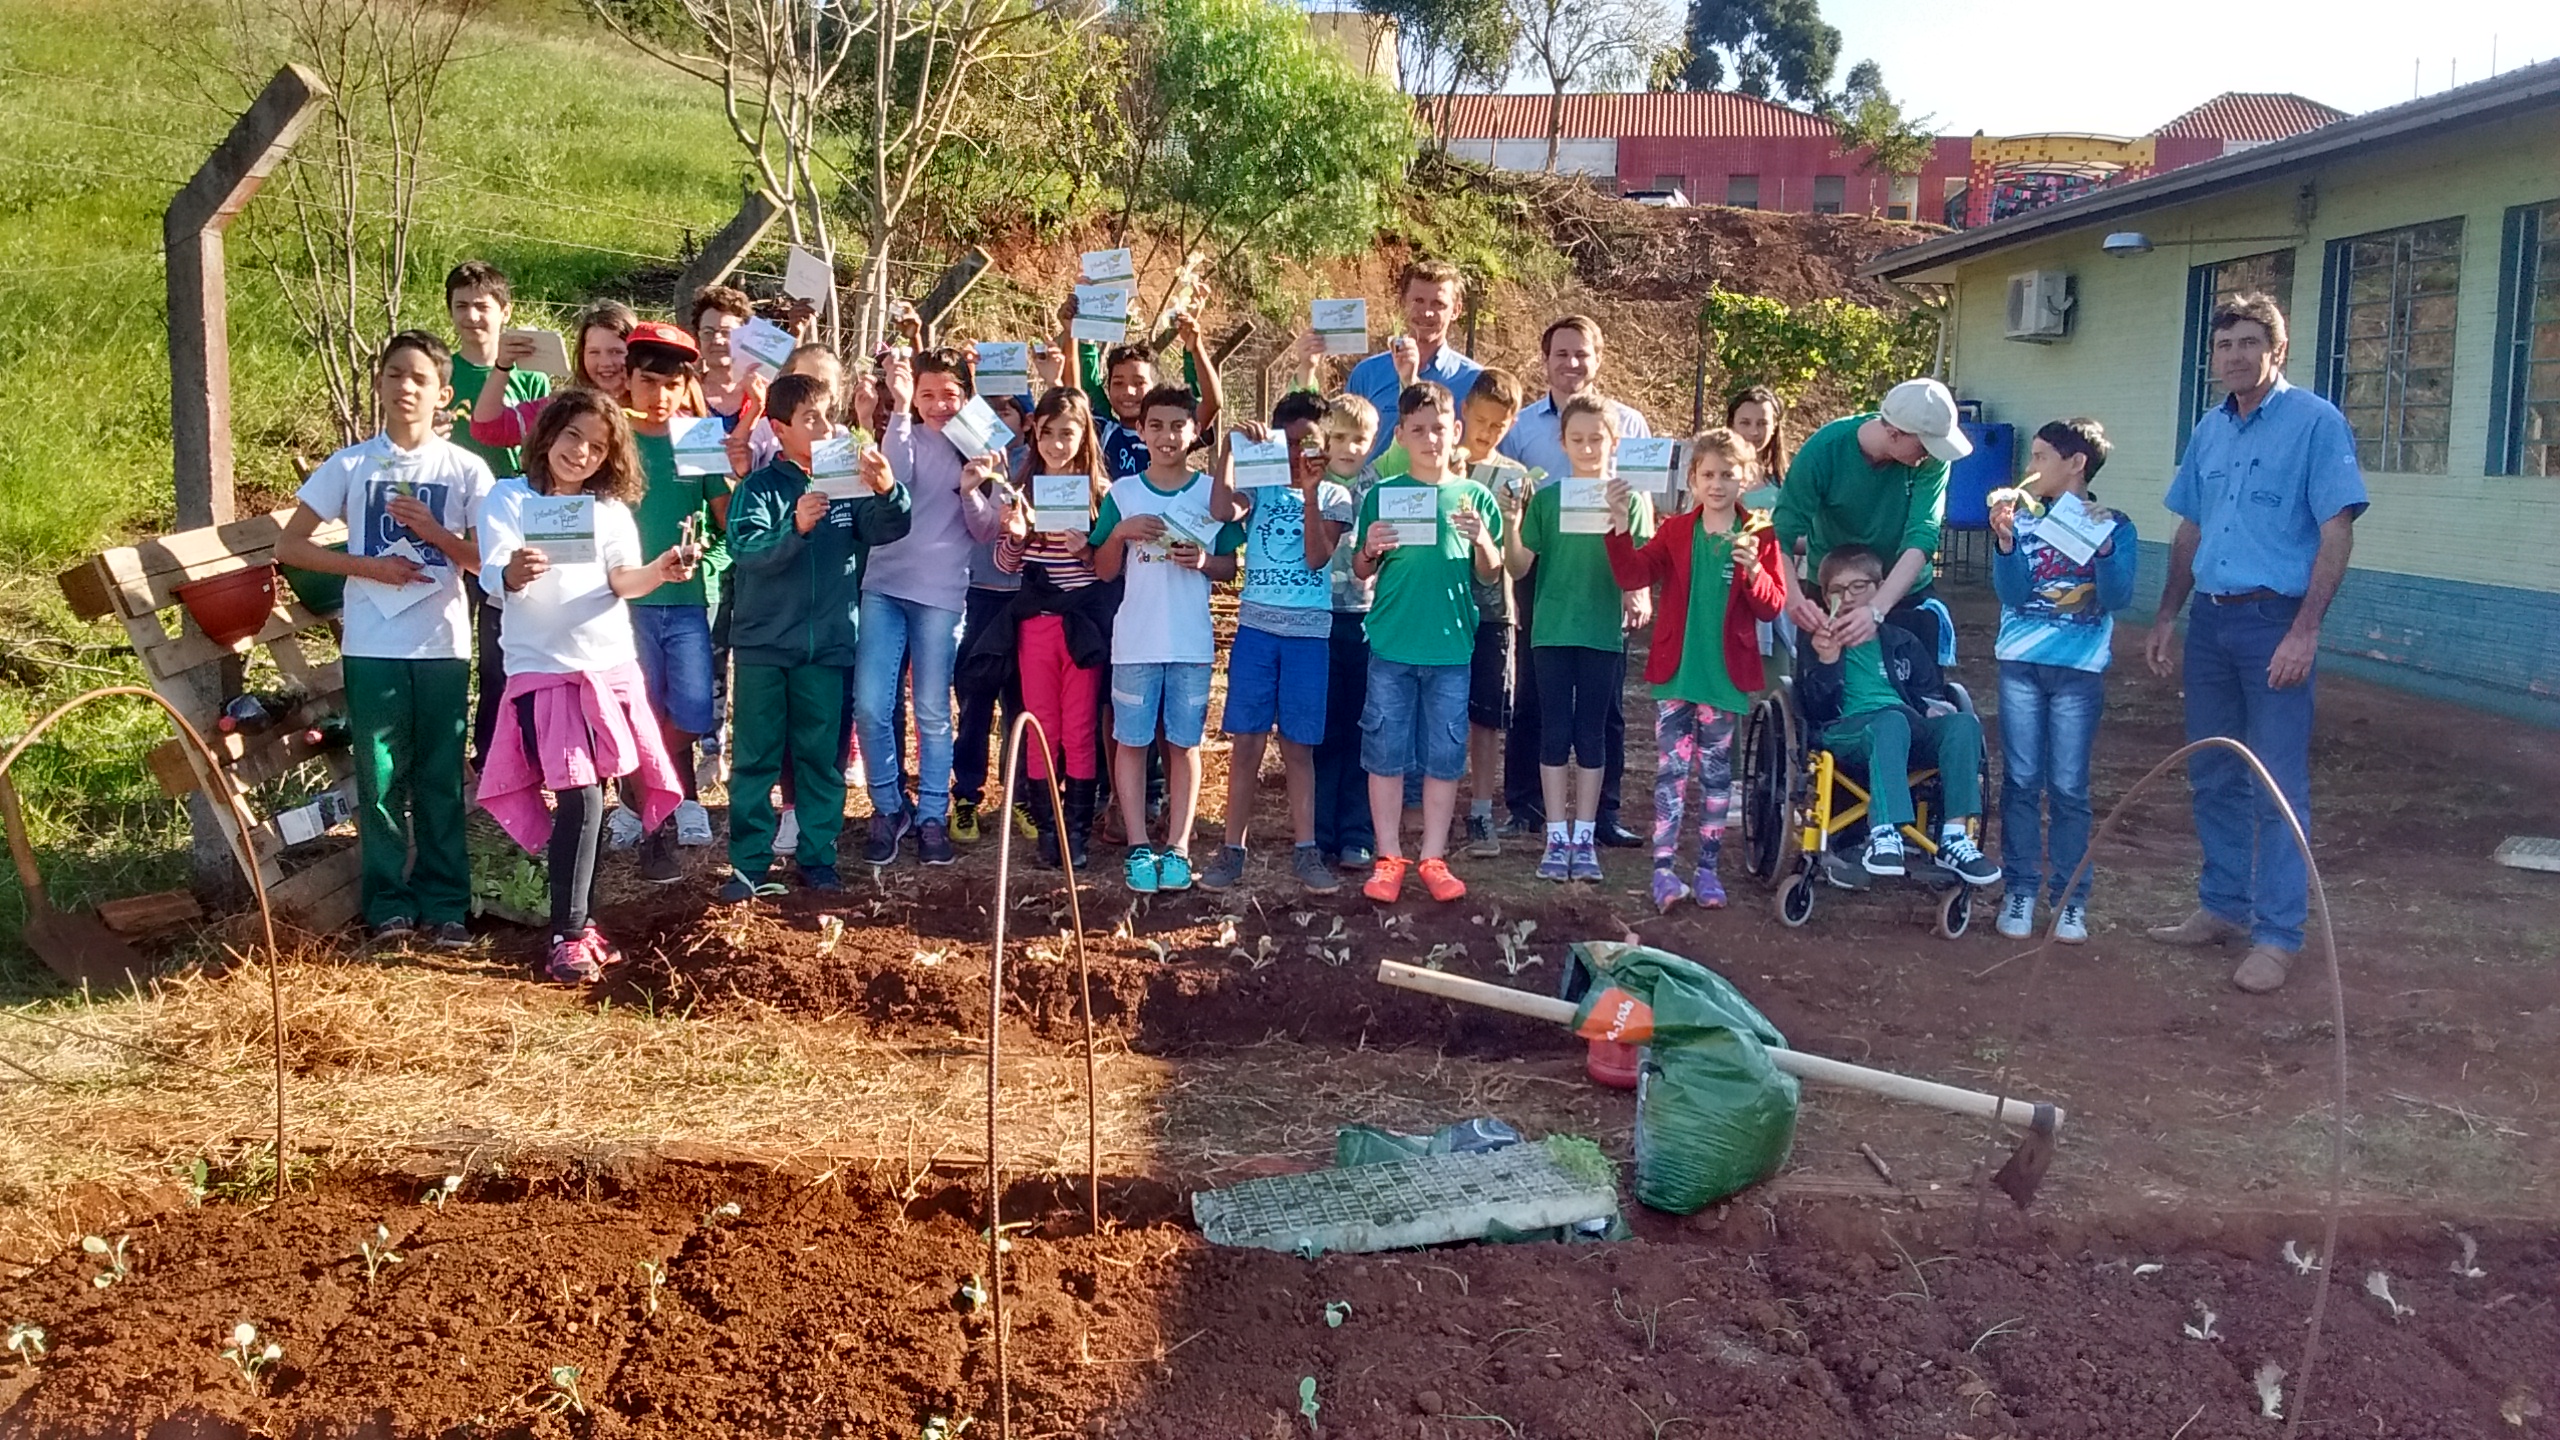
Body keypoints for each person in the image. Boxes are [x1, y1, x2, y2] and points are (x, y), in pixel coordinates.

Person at [2143, 293, 2366, 995]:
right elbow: (2190, 530)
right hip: (2210, 621)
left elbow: (2337, 532)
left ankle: (2277, 936)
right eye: (2224, 345)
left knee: (2276, 783)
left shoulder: (2315, 424)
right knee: (2213, 770)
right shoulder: (2210, 429)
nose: (2235, 356)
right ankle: (2223, 907)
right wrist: (2166, 615)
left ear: (2277, 350)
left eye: (2248, 343)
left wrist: (2305, 630)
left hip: (2275, 623)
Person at [274, 331, 493, 946]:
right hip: (372, 644)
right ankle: (387, 905)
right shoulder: (349, 465)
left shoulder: (465, 469)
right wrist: (369, 566)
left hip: (443, 644)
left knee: (440, 777)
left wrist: (434, 532)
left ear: (443, 393)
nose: (406, 387)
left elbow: (485, 563)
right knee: (379, 777)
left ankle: (446, 902)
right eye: (395, 375)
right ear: (379, 385)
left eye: (420, 378)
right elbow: (289, 548)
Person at [473, 389, 693, 982]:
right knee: (581, 797)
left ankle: (582, 921)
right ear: (549, 434)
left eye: (597, 447)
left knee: (592, 796)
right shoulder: (507, 498)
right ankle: (567, 934)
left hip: (608, 669)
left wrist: (661, 569)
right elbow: (493, 569)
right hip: (543, 674)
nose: (582, 453)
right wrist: (513, 571)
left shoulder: (610, 512)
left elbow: (623, 579)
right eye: (574, 436)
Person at [722, 371, 913, 902]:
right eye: (811, 419)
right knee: (756, 758)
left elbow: (889, 527)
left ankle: (819, 857)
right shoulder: (759, 487)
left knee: (820, 758)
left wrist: (887, 489)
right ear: (779, 428)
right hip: (763, 648)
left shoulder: (848, 483)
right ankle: (749, 865)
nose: (825, 426)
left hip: (827, 646)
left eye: (830, 416)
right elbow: (747, 553)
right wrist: (795, 528)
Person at [1605, 429, 1789, 911]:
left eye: (1728, 474)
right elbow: (1633, 575)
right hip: (1676, 676)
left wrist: (1754, 571)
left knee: (1715, 780)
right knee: (1671, 775)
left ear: (1746, 478)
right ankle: (1663, 870)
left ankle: (1707, 869)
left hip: (1724, 679)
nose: (1718, 483)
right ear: (1692, 478)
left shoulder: (1760, 534)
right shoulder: (1675, 531)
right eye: (1708, 474)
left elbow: (1771, 608)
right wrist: (1620, 525)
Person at [1498, 315, 1652, 847]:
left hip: (1608, 579)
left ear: (1599, 356)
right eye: (1561, 354)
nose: (1572, 364)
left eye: (1581, 353)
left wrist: (1639, 587)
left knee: (1603, 709)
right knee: (1535, 699)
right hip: (1546, 571)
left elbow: (1645, 507)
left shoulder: (1631, 423)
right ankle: (1527, 808)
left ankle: (1601, 815)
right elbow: (1507, 496)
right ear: (1546, 360)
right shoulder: (1520, 427)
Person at [1350, 381, 1504, 904]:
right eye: (1418, 429)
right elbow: (1360, 567)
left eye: (1439, 428)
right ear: (1401, 435)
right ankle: (1389, 855)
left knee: (1443, 756)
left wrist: (1483, 538)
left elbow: (1491, 573)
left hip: (1451, 650)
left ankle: (1434, 856)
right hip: (1391, 646)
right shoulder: (1383, 493)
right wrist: (1369, 549)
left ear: (1455, 431)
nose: (1430, 438)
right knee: (1385, 753)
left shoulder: (1475, 496)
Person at [857, 348, 1010, 866]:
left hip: (942, 596)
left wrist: (971, 490)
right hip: (882, 585)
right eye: (928, 395)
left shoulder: (982, 444)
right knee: (872, 705)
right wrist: (898, 408)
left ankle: (932, 816)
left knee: (931, 711)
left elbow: (988, 529)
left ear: (966, 396)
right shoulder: (901, 431)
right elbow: (893, 488)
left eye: (950, 394)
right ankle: (887, 806)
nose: (940, 405)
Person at [1989, 419, 2138, 945]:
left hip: (2079, 671)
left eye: (2040, 457)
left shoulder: (2114, 525)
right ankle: (2020, 889)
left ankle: (2071, 899)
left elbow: (2118, 598)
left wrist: (2103, 553)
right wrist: (2005, 544)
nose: (2031, 469)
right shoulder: (2022, 520)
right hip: (2021, 667)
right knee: (2022, 780)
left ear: (2076, 463)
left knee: (2070, 786)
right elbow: (2010, 593)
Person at [1089, 385, 1243, 893]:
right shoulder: (1123, 494)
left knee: (1184, 744)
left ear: (1194, 432)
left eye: (1177, 425)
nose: (1166, 435)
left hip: (1191, 645)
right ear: (1141, 431)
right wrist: (1119, 533)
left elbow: (1227, 566)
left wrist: (1202, 561)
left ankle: (1177, 847)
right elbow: (1104, 571)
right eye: (1155, 425)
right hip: (1135, 641)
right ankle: (1137, 846)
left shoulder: (1208, 495)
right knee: (1131, 742)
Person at [1200, 393, 1354, 894]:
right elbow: (1221, 509)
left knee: (1298, 746)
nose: (1296, 454)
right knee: (1246, 742)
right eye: (1287, 443)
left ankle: (1306, 852)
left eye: (1307, 444)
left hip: (1308, 636)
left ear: (1324, 446)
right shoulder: (1260, 488)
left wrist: (1310, 494)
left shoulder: (1335, 497)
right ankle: (1232, 850)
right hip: (1256, 633)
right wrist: (1229, 448)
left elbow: (1315, 558)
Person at [1793, 546, 2000, 887]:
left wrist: (1934, 708)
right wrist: (1827, 663)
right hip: (1845, 732)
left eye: (1858, 587)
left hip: (1905, 727)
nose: (1848, 597)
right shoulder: (1819, 641)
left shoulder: (1904, 642)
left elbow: (1930, 693)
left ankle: (1953, 836)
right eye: (1837, 590)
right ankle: (1884, 834)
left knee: (1963, 723)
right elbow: (1813, 711)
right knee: (1890, 722)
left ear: (1880, 587)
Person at [982, 386, 1119, 870]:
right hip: (1035, 627)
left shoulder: (1102, 495)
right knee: (1043, 728)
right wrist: (1017, 536)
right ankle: (1047, 828)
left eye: (1067, 433)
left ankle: (1076, 832)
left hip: (1082, 629)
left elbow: (1108, 569)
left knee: (1080, 729)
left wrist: (1084, 547)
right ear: (1034, 435)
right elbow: (1004, 562)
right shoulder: (1023, 489)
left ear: (1084, 437)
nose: (1056, 444)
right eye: (1047, 433)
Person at [618, 320, 730, 879]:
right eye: (647, 382)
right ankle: (654, 830)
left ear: (686, 385)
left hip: (687, 602)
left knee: (691, 711)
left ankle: (640, 783)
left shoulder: (700, 438)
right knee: (639, 709)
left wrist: (706, 561)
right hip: (626, 604)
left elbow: (728, 525)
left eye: (670, 384)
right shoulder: (613, 438)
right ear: (628, 381)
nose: (658, 396)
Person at [1772, 377, 1971, 662]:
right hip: (1834, 589)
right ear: (1894, 434)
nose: (1930, 454)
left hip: (1902, 587)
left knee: (1912, 684)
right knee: (1827, 687)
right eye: (1925, 446)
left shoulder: (1932, 461)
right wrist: (1795, 601)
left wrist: (1877, 608)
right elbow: (1782, 533)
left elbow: (1923, 534)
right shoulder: (1824, 451)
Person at [442, 261, 551, 776]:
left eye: (482, 306)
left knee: (498, 656)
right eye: (461, 306)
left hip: (505, 535)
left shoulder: (531, 380)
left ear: (505, 312)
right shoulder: (440, 373)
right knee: (445, 650)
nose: (472, 317)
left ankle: (496, 759)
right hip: (448, 532)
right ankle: (448, 759)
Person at [1311, 395, 1385, 872]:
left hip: (1365, 618)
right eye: (1337, 437)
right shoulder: (1311, 484)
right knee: (1323, 729)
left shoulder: (1382, 487)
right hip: (1316, 619)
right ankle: (1317, 832)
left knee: (1361, 728)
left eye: (1358, 439)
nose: (1347, 447)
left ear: (1373, 441)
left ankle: (1358, 832)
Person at [1061, 307, 1224, 480]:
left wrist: (1195, 348)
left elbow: (1211, 403)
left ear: (1156, 388)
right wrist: (1076, 332)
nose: (1128, 391)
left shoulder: (1172, 433)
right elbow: (1080, 390)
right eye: (1118, 383)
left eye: (1139, 383)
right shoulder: (1105, 432)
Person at [1345, 260, 1483, 460]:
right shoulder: (1367, 374)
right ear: (1402, 303)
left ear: (1456, 310)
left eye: (1438, 304)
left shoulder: (1474, 380)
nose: (1427, 312)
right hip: (1376, 489)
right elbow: (1341, 442)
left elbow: (1482, 453)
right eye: (1418, 301)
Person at [468, 299, 634, 451]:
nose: (605, 362)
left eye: (616, 351)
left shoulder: (656, 407)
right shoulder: (562, 408)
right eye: (594, 352)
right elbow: (487, 428)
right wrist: (502, 366)